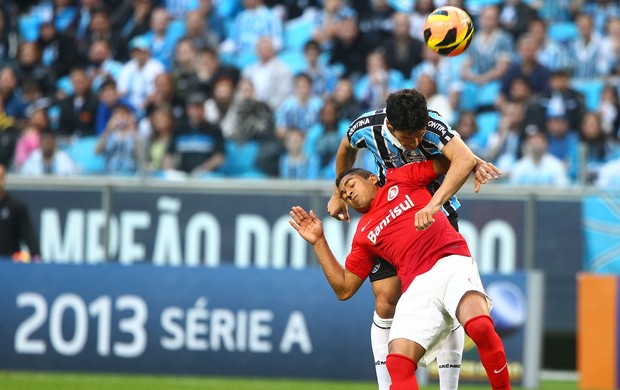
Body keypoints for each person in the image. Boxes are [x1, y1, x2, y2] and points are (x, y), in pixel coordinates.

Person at [327, 89, 501, 389]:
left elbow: (459, 156)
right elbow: (345, 149)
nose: (417, 142)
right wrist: (337, 192)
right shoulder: (365, 127)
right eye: (410, 138)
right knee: (385, 299)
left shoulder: (433, 124)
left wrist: (465, 169)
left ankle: (449, 386)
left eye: (421, 134)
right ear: (392, 129)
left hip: (438, 209)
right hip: (391, 210)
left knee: (452, 300)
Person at [290, 161, 511, 390]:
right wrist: (319, 242)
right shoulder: (363, 234)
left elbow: (451, 158)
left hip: (450, 261)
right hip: (416, 287)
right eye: (344, 195)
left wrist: (473, 162)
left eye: (350, 185)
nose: (349, 194)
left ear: (372, 179)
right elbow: (344, 288)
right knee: (397, 363)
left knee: (480, 327)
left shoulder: (402, 178)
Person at [0, 164, 41, 261]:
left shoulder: (16, 206)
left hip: (10, 262)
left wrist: (36, 256)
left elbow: (28, 235)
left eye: (1, 177)